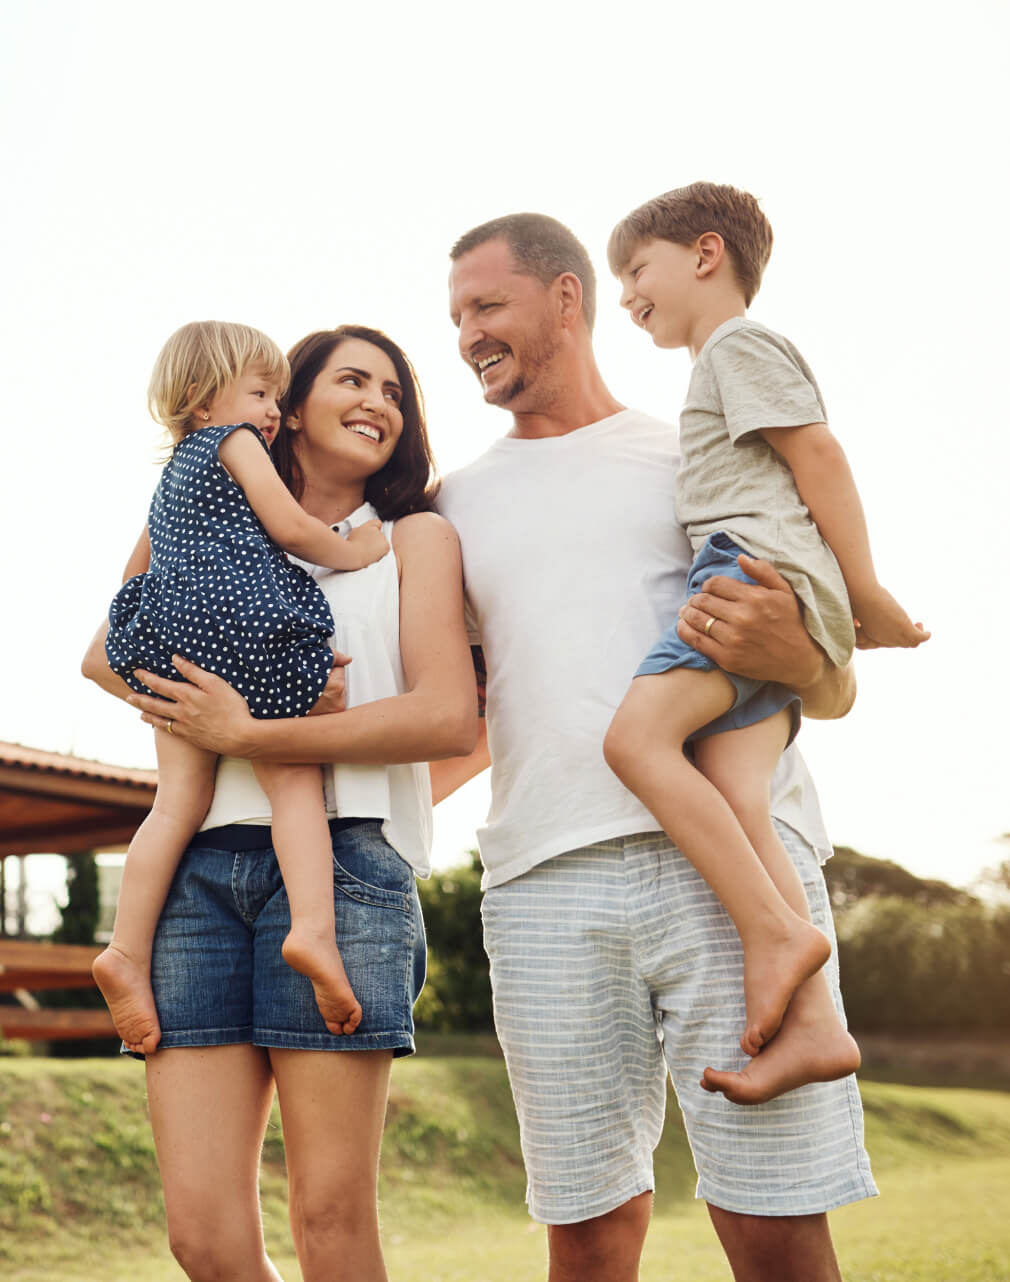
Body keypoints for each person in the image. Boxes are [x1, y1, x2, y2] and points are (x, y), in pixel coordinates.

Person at [434, 214, 876, 1282]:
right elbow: (463, 718)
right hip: (542, 884)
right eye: (454, 317)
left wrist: (817, 657)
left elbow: (822, 662)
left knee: (774, 1226)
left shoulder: (692, 456)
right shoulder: (447, 508)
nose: (465, 335)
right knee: (585, 1236)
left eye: (486, 306)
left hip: (727, 862)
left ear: (565, 299)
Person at [83, 324, 476, 1282]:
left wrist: (255, 732)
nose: (378, 401)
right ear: (285, 404)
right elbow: (103, 655)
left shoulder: (412, 538)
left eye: (395, 391)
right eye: (352, 378)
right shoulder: (213, 501)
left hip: (341, 868)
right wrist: (194, 701)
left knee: (330, 1226)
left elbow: (444, 717)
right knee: (204, 1242)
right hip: (195, 875)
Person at [601, 182, 929, 1104]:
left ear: (706, 254)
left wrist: (866, 595)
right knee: (736, 789)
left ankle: (778, 936)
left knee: (634, 741)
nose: (628, 295)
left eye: (636, 270)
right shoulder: (718, 360)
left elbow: (818, 454)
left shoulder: (737, 346)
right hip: (773, 576)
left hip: (748, 571)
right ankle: (819, 1025)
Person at [95, 319, 392, 1055]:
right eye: (260, 392)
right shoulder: (233, 446)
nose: (270, 411)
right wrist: (354, 549)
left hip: (171, 639)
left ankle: (124, 951)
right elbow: (291, 528)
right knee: (294, 782)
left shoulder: (169, 479)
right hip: (243, 625)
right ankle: (315, 932)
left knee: (174, 804)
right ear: (202, 401)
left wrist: (165, 685)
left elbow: (130, 592)